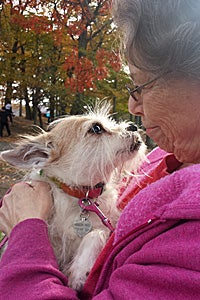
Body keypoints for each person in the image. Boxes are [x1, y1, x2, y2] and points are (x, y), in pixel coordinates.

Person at [1, 0, 200, 298]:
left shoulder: (189, 240)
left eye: (140, 85)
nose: (132, 107)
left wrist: (27, 230)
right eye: (96, 130)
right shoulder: (161, 159)